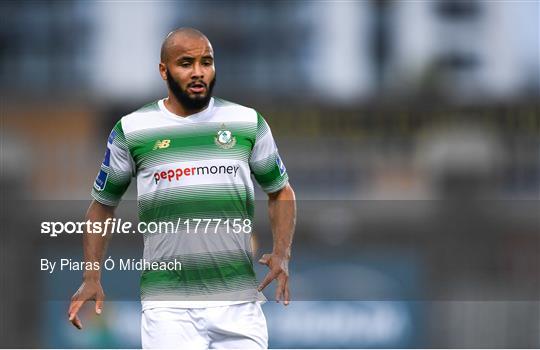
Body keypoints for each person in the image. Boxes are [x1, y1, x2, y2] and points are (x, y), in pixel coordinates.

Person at [67, 28, 296, 349]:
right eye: (186, 63)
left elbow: (280, 191)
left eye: (207, 62)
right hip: (168, 306)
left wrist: (282, 253)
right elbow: (102, 206)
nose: (198, 72)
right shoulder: (133, 130)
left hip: (238, 304)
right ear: (164, 70)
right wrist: (91, 277)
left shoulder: (247, 123)